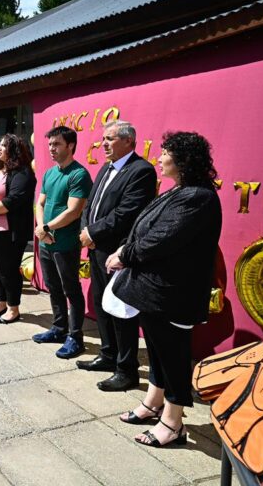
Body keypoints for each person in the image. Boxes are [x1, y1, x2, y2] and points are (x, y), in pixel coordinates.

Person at [107, 131, 222, 448]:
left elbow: (163, 239)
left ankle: (173, 422)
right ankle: (153, 402)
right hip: (156, 292)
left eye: (165, 153)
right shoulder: (182, 191)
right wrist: (126, 248)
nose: (159, 158)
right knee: (157, 351)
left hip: (174, 294)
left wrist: (125, 255)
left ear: (183, 160)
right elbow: (148, 230)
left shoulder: (198, 197)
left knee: (173, 356)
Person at [77, 121, 157, 392]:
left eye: (110, 139)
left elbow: (126, 213)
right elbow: (90, 205)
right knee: (102, 305)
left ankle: (126, 370)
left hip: (118, 251)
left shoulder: (141, 171)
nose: (104, 144)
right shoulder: (106, 168)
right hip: (97, 248)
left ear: (128, 141)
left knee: (121, 310)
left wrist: (93, 232)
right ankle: (108, 354)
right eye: (103, 139)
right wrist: (86, 230)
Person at [33, 126, 92, 359]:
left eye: (57, 144)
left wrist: (47, 228)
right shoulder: (49, 173)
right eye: (50, 144)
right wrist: (41, 229)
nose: (51, 148)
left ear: (71, 145)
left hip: (65, 244)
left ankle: (75, 338)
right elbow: (40, 203)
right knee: (53, 287)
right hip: (46, 242)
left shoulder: (79, 174)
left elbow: (73, 211)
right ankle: (59, 328)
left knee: (71, 289)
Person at [0, 135, 36, 324]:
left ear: (15, 150)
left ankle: (13, 308)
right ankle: (1, 303)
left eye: (4, 145)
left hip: (8, 231)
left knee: (8, 270)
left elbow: (13, 200)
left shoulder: (22, 173)